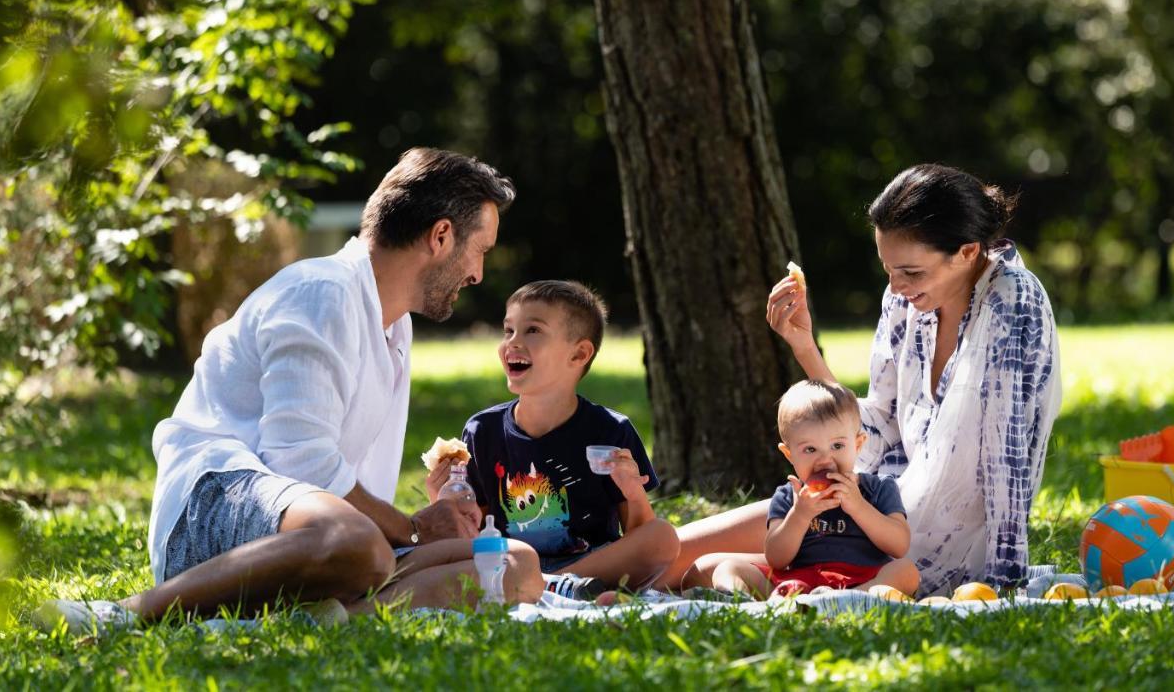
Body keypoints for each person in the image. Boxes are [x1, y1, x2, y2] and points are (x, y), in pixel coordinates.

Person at [37, 147, 544, 632]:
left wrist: (417, 528)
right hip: (212, 511)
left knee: (511, 564)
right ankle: (127, 612)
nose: (477, 273)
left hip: (317, 535)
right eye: (479, 252)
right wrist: (412, 530)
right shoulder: (321, 293)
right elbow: (299, 464)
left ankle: (309, 617)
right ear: (440, 237)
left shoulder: (394, 324)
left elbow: (342, 490)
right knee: (358, 541)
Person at [666, 164, 1062, 597]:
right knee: (673, 550)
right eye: (888, 269)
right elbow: (873, 430)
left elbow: (1009, 456)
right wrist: (804, 346)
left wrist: (1006, 581)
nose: (896, 286)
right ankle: (582, 581)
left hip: (914, 545)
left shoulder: (1013, 299)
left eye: (911, 272)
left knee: (681, 559)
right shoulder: (903, 298)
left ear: (967, 252)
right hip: (868, 502)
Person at [430, 280, 679, 601]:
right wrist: (444, 497)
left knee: (662, 537)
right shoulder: (482, 430)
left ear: (579, 353)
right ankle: (550, 586)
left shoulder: (611, 430)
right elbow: (473, 528)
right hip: (509, 562)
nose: (513, 343)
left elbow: (640, 532)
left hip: (591, 564)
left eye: (532, 330)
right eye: (508, 331)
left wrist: (632, 491)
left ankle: (549, 584)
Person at [701, 380, 918, 599]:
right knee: (728, 568)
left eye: (837, 446)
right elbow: (777, 558)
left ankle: (849, 600)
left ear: (858, 444)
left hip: (863, 580)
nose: (825, 459)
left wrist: (859, 507)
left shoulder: (879, 488)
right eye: (810, 449)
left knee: (906, 571)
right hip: (798, 584)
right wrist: (799, 515)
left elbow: (899, 546)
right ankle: (745, 603)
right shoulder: (789, 496)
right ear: (789, 454)